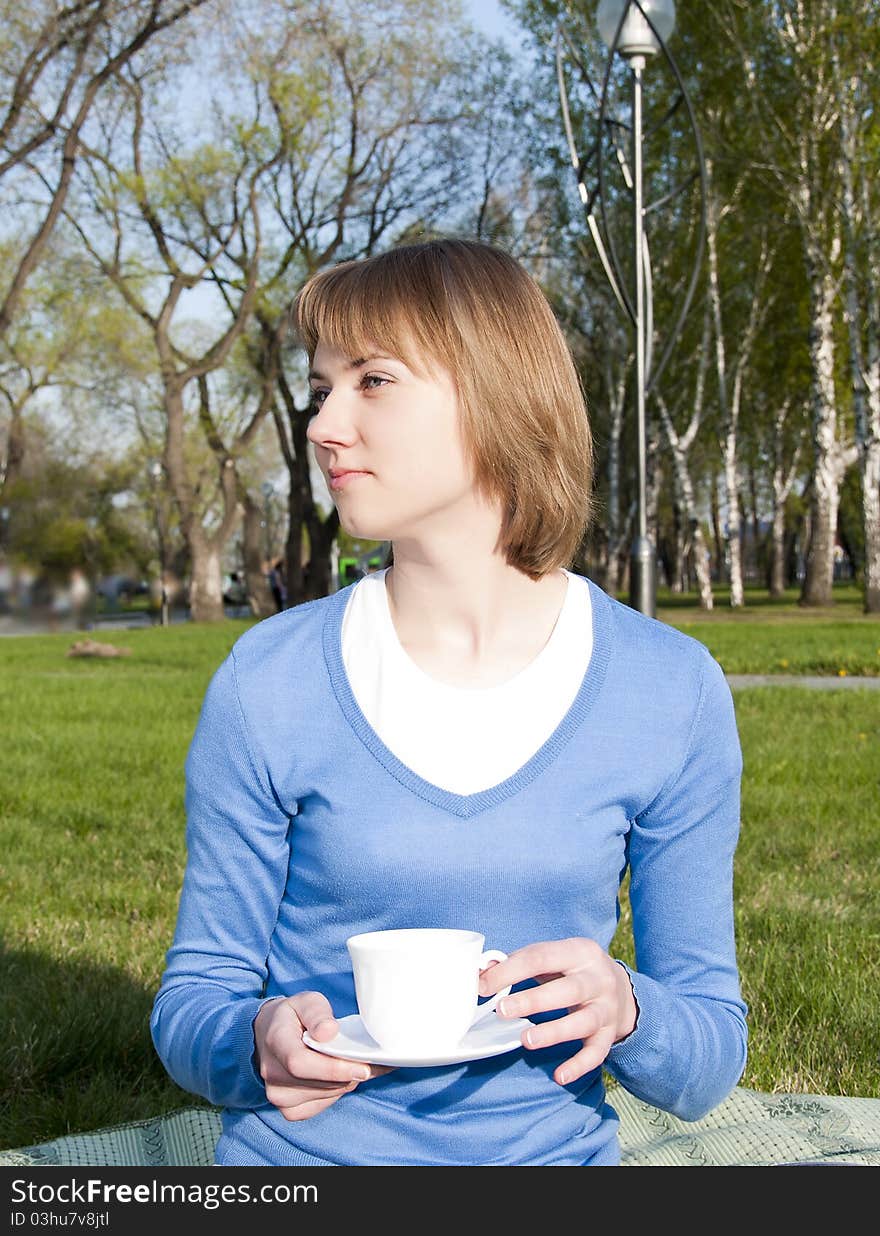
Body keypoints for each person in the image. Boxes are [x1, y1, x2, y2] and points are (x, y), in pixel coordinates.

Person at [150, 238, 747, 1167]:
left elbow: (706, 1059)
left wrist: (627, 1010)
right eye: (321, 389)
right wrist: (253, 1042)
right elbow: (196, 998)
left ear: (496, 394)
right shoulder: (267, 682)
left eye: (372, 382)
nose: (323, 424)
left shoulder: (668, 691)